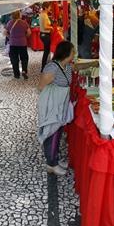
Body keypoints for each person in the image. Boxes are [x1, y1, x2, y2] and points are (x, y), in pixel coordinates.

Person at [37, 41, 96, 175]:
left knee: (58, 131)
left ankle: (55, 159)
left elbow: (78, 67)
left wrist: (94, 63)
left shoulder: (67, 66)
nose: (74, 54)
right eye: (72, 52)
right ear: (66, 53)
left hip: (61, 104)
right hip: (52, 105)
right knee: (51, 132)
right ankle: (51, 164)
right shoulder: (52, 68)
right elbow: (41, 87)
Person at [5, 10, 31, 79]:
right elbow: (29, 33)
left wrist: (10, 37)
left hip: (13, 43)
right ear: (19, 15)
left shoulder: (9, 23)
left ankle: (16, 74)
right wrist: (25, 37)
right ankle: (24, 71)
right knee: (24, 58)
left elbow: (5, 32)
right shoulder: (24, 23)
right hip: (22, 43)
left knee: (14, 59)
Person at [39, 3, 53, 69]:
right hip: (45, 35)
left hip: (43, 34)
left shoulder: (42, 14)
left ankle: (45, 66)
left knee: (46, 51)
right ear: (46, 7)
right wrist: (51, 28)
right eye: (49, 7)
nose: (50, 8)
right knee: (46, 52)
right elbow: (45, 27)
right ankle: (43, 67)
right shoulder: (44, 15)